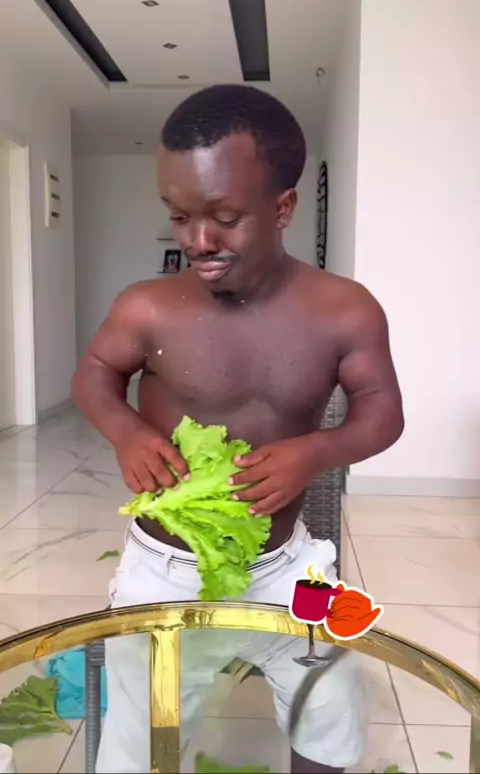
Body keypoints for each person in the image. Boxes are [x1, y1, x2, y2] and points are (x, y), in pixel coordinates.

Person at [73, 85, 404, 774]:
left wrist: (317, 450)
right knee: (142, 739)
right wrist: (127, 432)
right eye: (179, 217)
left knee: (335, 697)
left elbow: (382, 413)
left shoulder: (344, 310)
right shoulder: (146, 307)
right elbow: (95, 375)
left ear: (283, 208)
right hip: (163, 570)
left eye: (225, 218)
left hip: (283, 565)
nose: (198, 241)